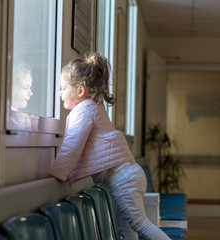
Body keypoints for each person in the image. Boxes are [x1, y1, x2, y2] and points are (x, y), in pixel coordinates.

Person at [47, 52, 171, 240]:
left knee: (140, 224)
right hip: (128, 174)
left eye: (63, 88)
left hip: (122, 178)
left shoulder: (83, 110)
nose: (59, 93)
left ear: (80, 90)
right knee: (127, 228)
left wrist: (57, 173)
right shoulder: (94, 108)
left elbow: (72, 145)